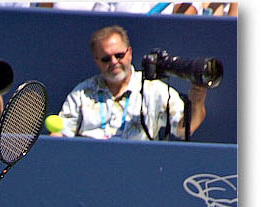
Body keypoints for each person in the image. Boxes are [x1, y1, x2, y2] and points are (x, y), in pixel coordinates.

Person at [51, 25, 208, 140]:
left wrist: (198, 101)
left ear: (130, 53)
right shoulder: (81, 93)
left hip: (139, 171)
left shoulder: (153, 89)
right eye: (106, 59)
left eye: (119, 55)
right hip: (89, 171)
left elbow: (185, 130)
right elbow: (61, 134)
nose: (114, 62)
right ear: (96, 61)